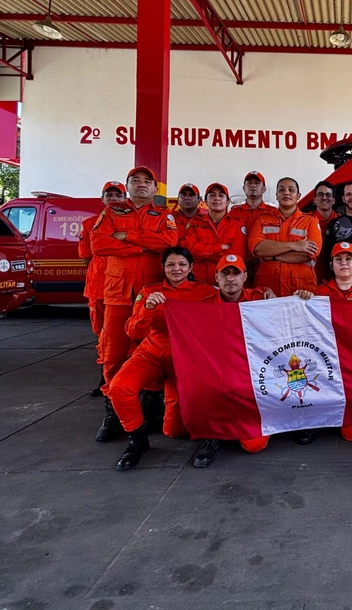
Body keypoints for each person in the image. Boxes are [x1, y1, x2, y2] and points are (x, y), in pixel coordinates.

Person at [91, 166, 179, 442]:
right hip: (117, 293)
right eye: (135, 181)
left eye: (147, 182)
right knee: (113, 353)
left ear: (155, 189)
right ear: (128, 186)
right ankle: (113, 413)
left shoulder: (164, 215)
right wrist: (142, 246)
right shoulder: (111, 212)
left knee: (152, 350)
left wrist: (126, 236)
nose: (141, 185)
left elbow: (168, 241)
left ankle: (150, 408)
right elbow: (98, 244)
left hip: (152, 293)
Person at [107, 247, 209, 471]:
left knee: (174, 431)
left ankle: (172, 407)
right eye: (171, 265)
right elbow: (133, 331)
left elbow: (233, 306)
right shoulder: (149, 291)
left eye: (182, 264)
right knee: (119, 387)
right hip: (152, 352)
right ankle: (137, 439)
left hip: (183, 359)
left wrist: (264, 294)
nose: (176, 269)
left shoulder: (204, 292)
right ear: (163, 268)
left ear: (190, 268)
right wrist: (147, 308)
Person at [192, 253, 277, 468]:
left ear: (245, 276)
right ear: (216, 277)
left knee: (254, 445)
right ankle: (212, 434)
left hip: (253, 374)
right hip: (218, 373)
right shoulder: (203, 307)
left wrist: (278, 304)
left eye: (236, 273)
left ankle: (251, 420)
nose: (231, 279)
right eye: (225, 273)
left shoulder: (261, 299)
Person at [294, 242, 352, 446]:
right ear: (331, 265)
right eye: (338, 260)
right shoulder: (319, 292)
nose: (344, 263)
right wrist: (300, 300)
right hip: (326, 362)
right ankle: (312, 421)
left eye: (348, 259)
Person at [79, 180, 127, 392]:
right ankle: (106, 376)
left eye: (118, 195)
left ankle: (122, 376)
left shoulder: (130, 223)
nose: (113, 199)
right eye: (109, 195)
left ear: (125, 199)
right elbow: (86, 257)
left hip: (121, 286)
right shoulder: (89, 224)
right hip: (98, 288)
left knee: (123, 332)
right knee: (102, 333)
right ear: (102, 199)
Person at [249, 177, 322, 296]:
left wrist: (272, 256)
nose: (286, 192)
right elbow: (256, 248)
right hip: (268, 288)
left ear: (298, 196)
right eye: (282, 190)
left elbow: (309, 254)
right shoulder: (263, 219)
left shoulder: (310, 221)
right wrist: (295, 245)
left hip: (301, 289)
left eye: (291, 190)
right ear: (276, 195)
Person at [180, 182, 247, 283]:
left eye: (221, 195)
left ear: (228, 201)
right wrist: (218, 247)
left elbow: (236, 256)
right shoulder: (195, 223)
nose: (216, 198)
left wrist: (202, 253)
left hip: (227, 283)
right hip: (197, 281)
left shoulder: (238, 225)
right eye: (212, 195)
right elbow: (188, 252)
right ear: (205, 201)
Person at [227, 171, 275, 286]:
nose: (253, 185)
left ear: (264, 189)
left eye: (257, 183)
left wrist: (258, 259)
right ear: (244, 188)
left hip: (265, 267)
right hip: (238, 267)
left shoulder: (273, 213)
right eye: (249, 183)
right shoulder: (234, 212)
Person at [312, 181, 338, 283]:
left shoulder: (342, 222)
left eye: (328, 195)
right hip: (312, 277)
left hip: (337, 279)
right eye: (320, 194)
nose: (324, 197)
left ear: (334, 200)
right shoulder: (306, 221)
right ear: (314, 199)